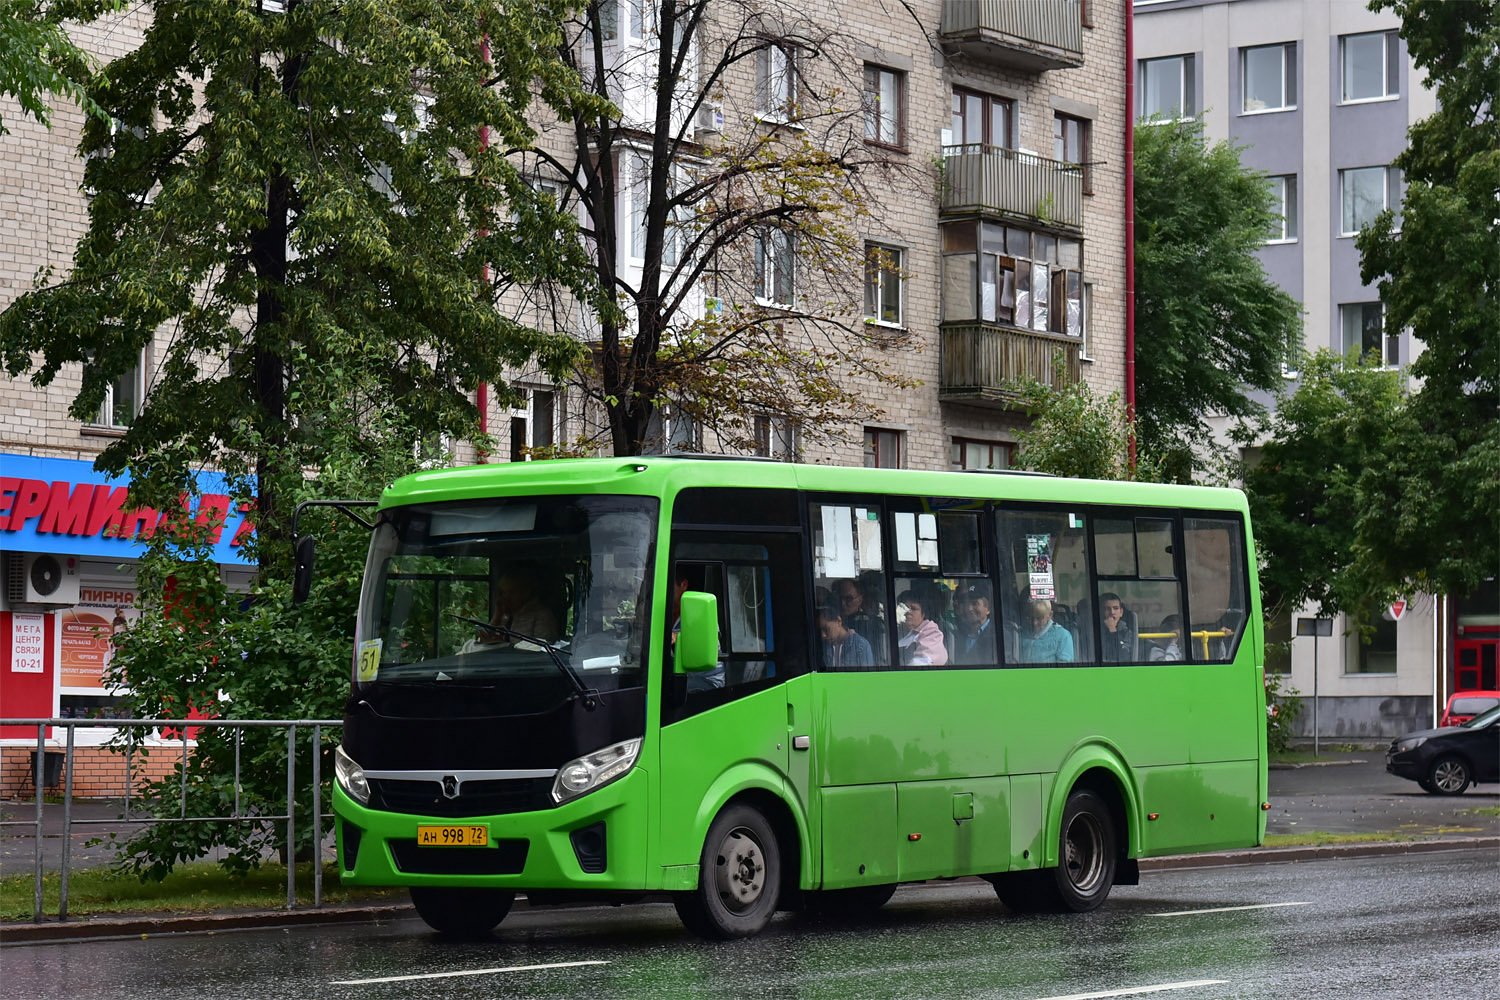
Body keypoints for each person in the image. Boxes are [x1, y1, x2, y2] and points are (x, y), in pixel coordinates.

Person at [466, 563, 561, 651]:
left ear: (525, 592)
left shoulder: (542, 616)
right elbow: (487, 639)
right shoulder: (508, 615)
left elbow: (542, 650)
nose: (506, 598)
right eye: (504, 593)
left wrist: (506, 646)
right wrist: (497, 615)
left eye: (512, 593)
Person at [896, 590, 948, 666]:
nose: (908, 611)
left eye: (914, 608)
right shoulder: (894, 629)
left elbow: (921, 663)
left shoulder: (931, 633)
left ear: (923, 614)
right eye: (904, 607)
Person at [817, 603, 874, 669]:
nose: (823, 635)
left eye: (826, 629)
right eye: (820, 631)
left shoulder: (860, 645)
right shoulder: (824, 647)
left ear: (839, 621)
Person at [1018, 598, 1074, 663]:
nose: (1034, 623)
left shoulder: (1062, 636)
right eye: (1031, 618)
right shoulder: (1020, 633)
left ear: (1050, 615)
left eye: (1039, 618)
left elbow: (1065, 668)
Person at [953, 583, 996, 664]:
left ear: (988, 608)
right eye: (967, 603)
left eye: (975, 604)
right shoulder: (959, 633)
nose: (969, 608)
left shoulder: (998, 635)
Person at [1098, 592, 1135, 663]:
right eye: (1107, 609)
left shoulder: (1127, 632)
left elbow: (1124, 657)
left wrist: (1112, 631)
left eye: (1116, 608)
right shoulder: (1094, 631)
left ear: (1121, 612)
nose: (1112, 612)